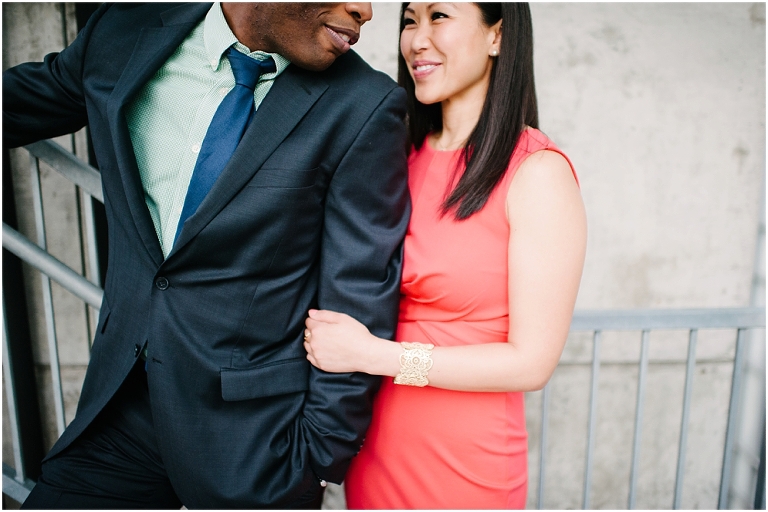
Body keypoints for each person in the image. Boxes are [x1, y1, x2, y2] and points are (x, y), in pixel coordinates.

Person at [3, 2, 410, 508]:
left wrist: (318, 460)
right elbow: (21, 102)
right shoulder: (123, 33)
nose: (365, 10)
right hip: (120, 414)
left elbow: (360, 296)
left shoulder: (364, 106)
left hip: (259, 443)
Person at [303, 2, 587, 508]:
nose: (417, 39)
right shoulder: (398, 158)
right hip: (375, 449)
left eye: (440, 16)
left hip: (464, 466)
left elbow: (531, 364)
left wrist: (374, 356)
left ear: (497, 36)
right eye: (410, 20)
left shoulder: (537, 172)